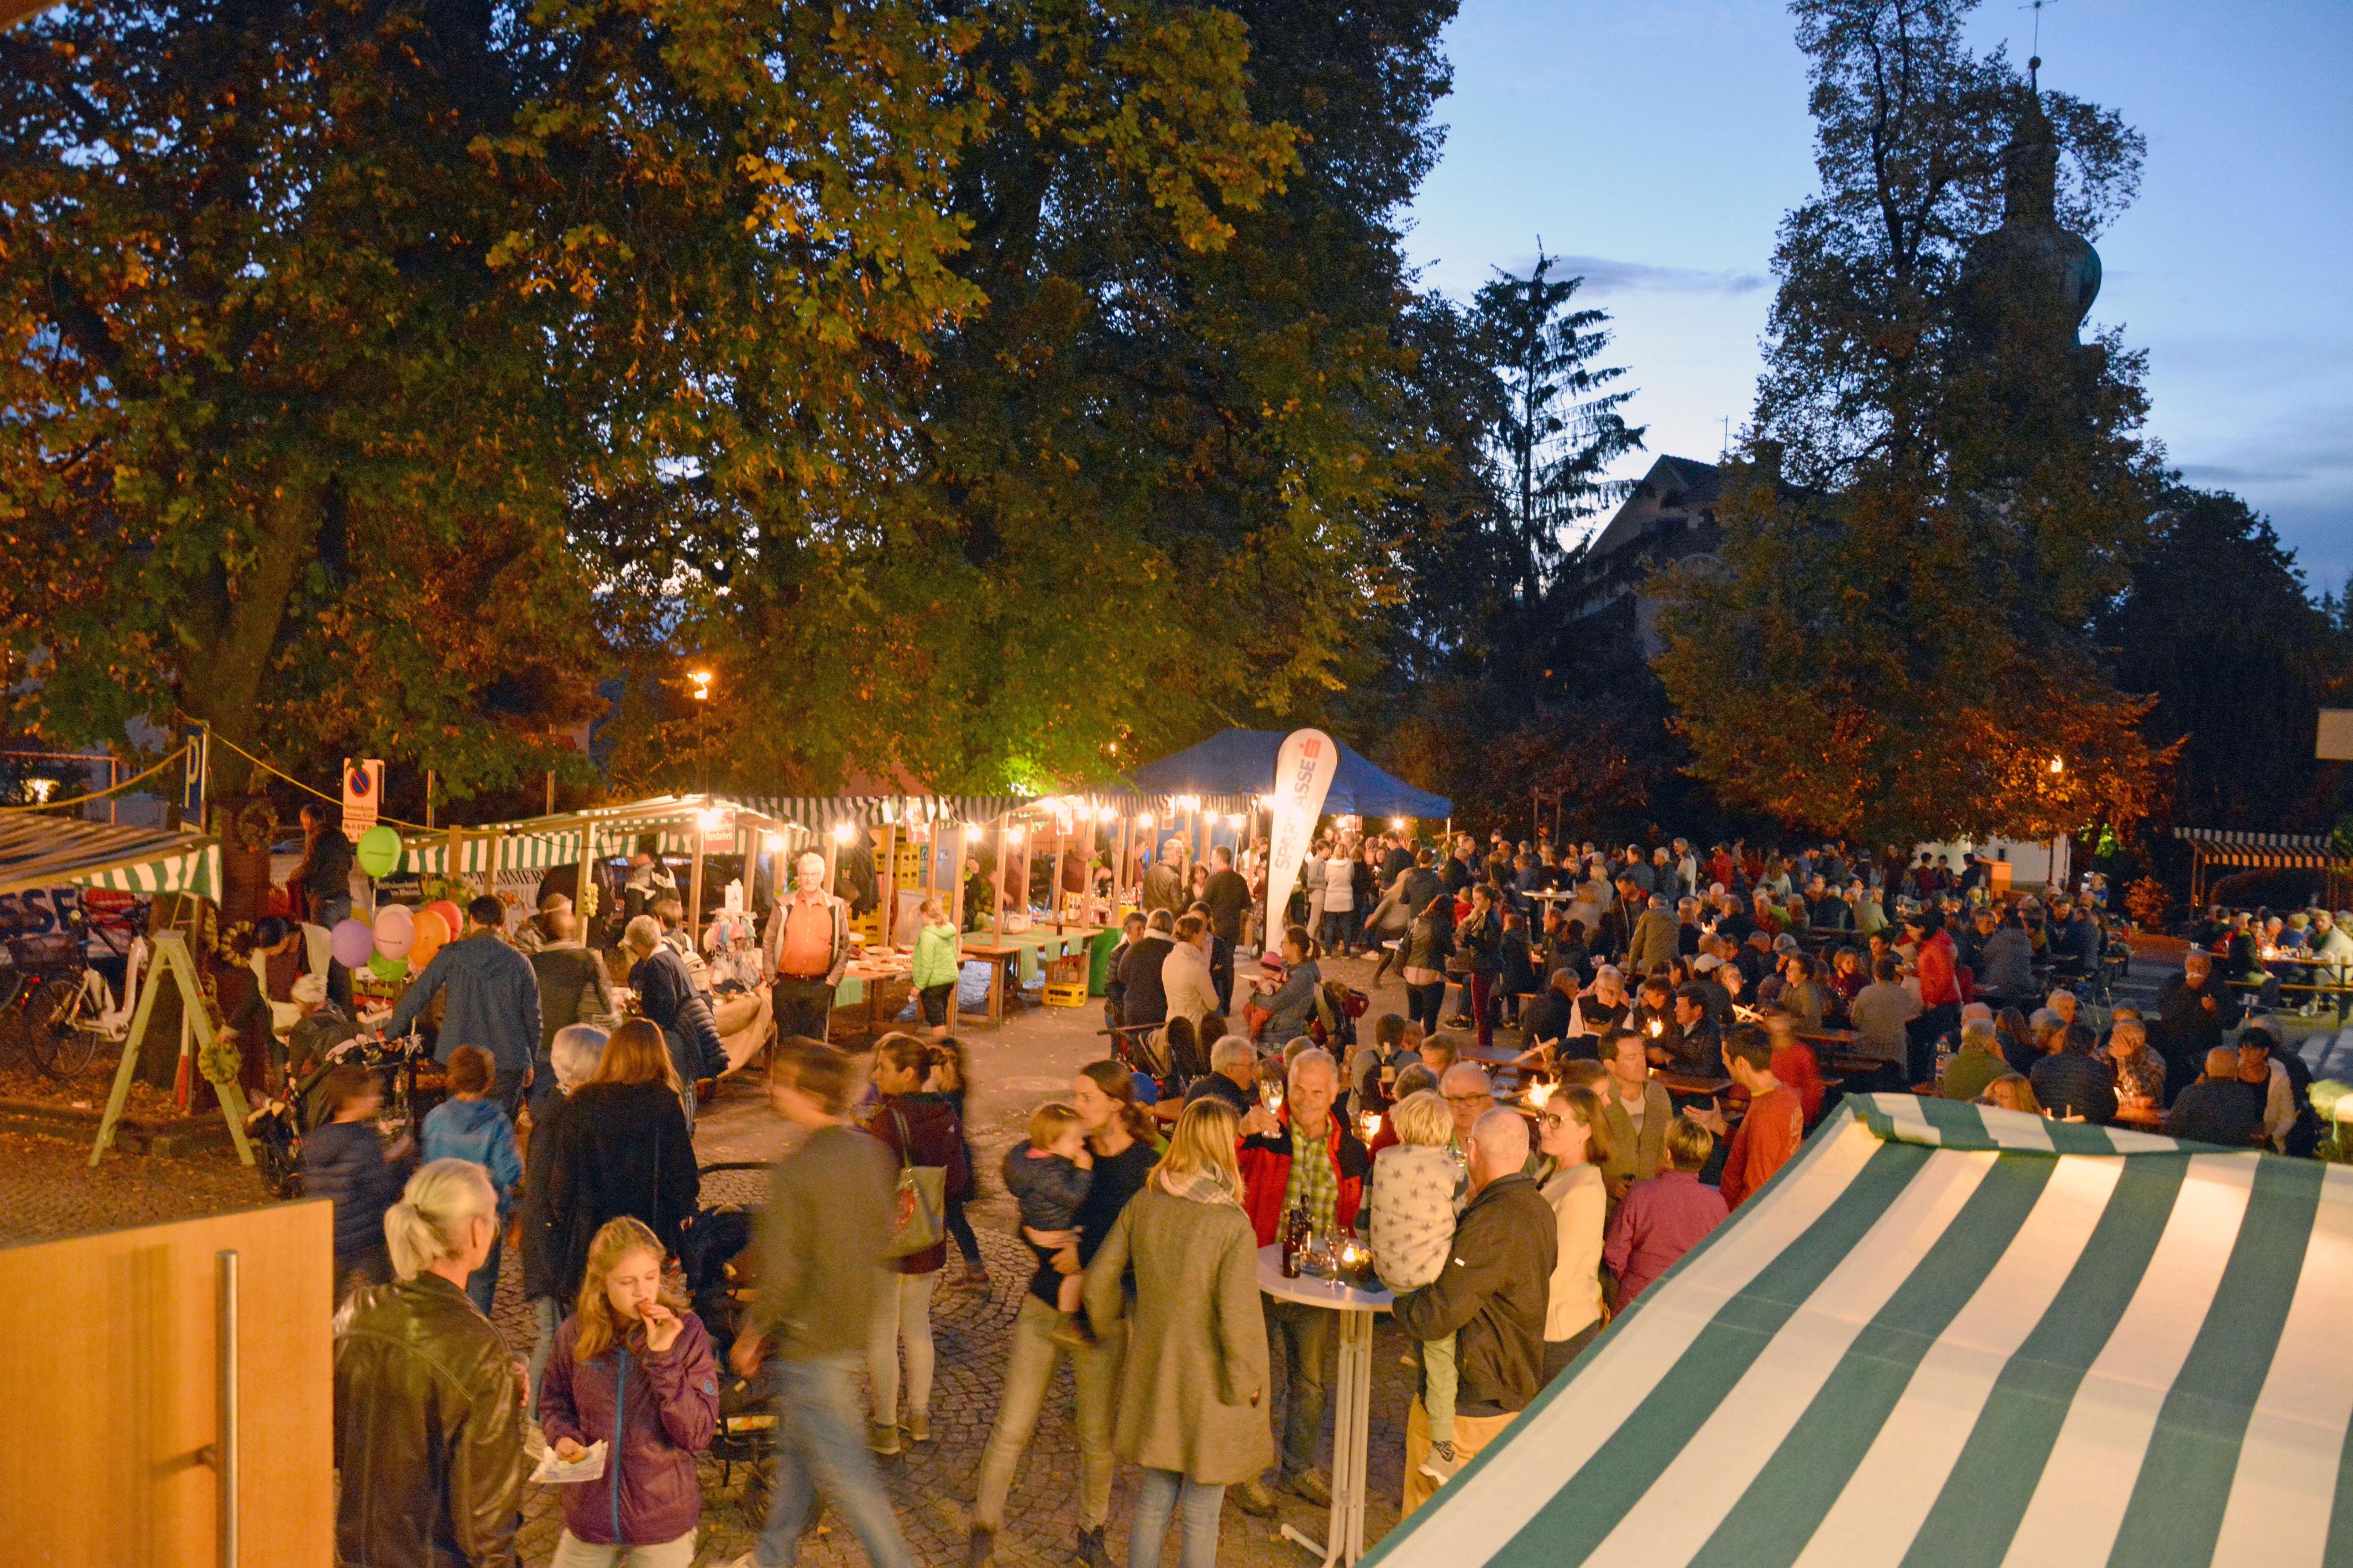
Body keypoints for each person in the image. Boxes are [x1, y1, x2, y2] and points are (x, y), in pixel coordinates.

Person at [724, 1038, 910, 1568]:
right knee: (800, 1454)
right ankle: (773, 1553)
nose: (773, 1088)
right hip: (849, 1329)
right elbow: (881, 1234)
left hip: (812, 1340)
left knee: (852, 1479)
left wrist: (752, 1334)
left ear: (808, 1093)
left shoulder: (801, 1170)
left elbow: (783, 1271)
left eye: (782, 1080)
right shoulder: (871, 1154)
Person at [970, 1061, 1161, 1568]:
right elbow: (1032, 1208)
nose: (1076, 1106)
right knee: (1013, 1424)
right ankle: (984, 1527)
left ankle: (1091, 1532)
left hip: (1102, 1316)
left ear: (1116, 1105)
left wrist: (1087, 1254)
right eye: (1075, 1096)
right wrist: (1036, 1238)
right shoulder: (1070, 1149)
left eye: (1087, 1098)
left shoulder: (1144, 1167)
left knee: (1096, 1435)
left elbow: (1145, 1248)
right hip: (1044, 1302)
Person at [1080, 1099, 1270, 1568]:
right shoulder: (1230, 1224)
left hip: (1157, 1375)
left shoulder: (1145, 1201)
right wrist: (1248, 1384)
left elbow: (1099, 1280)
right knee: (1202, 1514)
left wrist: (1112, 1328)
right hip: (1211, 1387)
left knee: (1154, 1501)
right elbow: (1239, 1319)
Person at [332, 1160, 524, 1566]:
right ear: (476, 1231)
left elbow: (341, 1437)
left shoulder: (356, 1313)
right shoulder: (480, 1350)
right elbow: (486, 1525)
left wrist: (497, 1387)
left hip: (356, 1554)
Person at [1393, 1108, 1556, 1516]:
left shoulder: (1494, 1219)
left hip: (1468, 1403)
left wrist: (1401, 1302)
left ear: (1473, 1149)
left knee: (1428, 1521)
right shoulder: (1538, 1209)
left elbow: (1440, 1312)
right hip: (1510, 1390)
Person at [538, 1215, 720, 1568]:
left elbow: (698, 1434)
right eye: (627, 1282)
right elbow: (555, 1398)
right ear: (602, 1282)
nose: (643, 1292)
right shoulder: (576, 1333)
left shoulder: (686, 1333)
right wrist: (562, 1436)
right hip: (590, 1516)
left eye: (650, 1277)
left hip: (661, 1521)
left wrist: (663, 1358)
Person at [1233, 1048, 1368, 1512]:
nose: (1307, 1100)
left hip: (1314, 1280)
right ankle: (1245, 1471)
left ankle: (1297, 1469)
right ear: (1286, 1088)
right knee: (1254, 1381)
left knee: (1310, 1383)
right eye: (1298, 1089)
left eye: (1316, 1092)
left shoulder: (1349, 1148)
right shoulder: (1265, 1131)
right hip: (1258, 1273)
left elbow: (1352, 1216)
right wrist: (1239, 1131)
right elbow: (1221, 1164)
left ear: (1334, 1094)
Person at [862, 1034, 973, 1455]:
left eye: (883, 1068)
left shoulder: (888, 1120)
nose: (876, 1075)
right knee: (918, 1327)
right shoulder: (946, 1114)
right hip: (927, 1237)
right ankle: (920, 1416)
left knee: (882, 1332)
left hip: (887, 1242)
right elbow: (959, 1182)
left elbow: (873, 1184)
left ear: (908, 1073)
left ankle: (886, 1427)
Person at [546, 1019, 701, 1304]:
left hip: (594, 1240)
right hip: (649, 1238)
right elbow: (684, 1182)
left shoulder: (582, 1104)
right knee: (645, 1316)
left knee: (597, 1319)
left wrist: (574, 1224)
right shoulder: (664, 1104)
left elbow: (562, 1186)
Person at [1366, 1090, 1468, 1481]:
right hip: (1429, 1278)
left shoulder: (1382, 1161)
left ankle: (1415, 1342)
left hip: (1389, 1271)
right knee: (1443, 1358)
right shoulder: (1451, 1169)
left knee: (1422, 1321)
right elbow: (1464, 1219)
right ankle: (1442, 1448)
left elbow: (1363, 1218)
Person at [383, 894, 545, 1117]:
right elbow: (534, 1019)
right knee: (499, 1129)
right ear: (503, 924)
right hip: (507, 1063)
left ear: (472, 921)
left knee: (460, 1124)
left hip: (461, 1063)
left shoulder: (451, 955)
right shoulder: (521, 963)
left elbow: (417, 996)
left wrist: (390, 1035)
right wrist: (530, 1061)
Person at [520, 1024, 606, 1415]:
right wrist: (558, 1266)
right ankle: (537, 1423)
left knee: (559, 1336)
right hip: (551, 1251)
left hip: (554, 1247)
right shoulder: (558, 1120)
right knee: (553, 1337)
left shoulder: (563, 1111)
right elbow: (545, 1196)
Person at [420, 1045, 523, 1316]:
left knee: (446, 1275)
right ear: (490, 1082)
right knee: (482, 1281)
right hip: (483, 1216)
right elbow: (509, 1173)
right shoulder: (497, 1122)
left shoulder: (434, 1119)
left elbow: (430, 1166)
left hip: (445, 1213)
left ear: (452, 1080)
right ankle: (476, 1327)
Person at [304, 1065, 411, 1303]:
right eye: (371, 1096)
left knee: (329, 1299)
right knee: (380, 1295)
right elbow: (383, 1189)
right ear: (353, 1101)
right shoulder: (364, 1141)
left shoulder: (318, 1138)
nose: (378, 1100)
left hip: (329, 1234)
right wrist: (401, 1163)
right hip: (365, 1238)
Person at [1603, 1118, 1726, 1311]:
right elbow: (1720, 1259)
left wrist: (1632, 1278)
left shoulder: (1639, 1194)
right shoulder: (1716, 1205)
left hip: (1638, 1298)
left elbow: (1615, 1252)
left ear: (1668, 1154)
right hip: (1689, 1303)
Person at [1532, 1084, 1610, 1382]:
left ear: (1586, 1130)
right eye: (1543, 1117)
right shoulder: (1551, 1169)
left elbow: (1558, 1273)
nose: (1544, 1127)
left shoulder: (1583, 1192)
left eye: (1556, 1121)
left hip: (1559, 1330)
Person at [622, 914, 727, 1133]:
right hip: (690, 1025)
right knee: (686, 1086)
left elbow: (666, 1003)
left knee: (678, 1085)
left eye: (635, 947)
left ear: (640, 945)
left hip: (678, 1031)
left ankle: (682, 1134)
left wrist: (650, 1017)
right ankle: (687, 1129)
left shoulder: (656, 963)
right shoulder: (670, 957)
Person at [1004, 1100, 1096, 1344]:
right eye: (1075, 1139)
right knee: (1078, 1270)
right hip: (1052, 1232)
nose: (1082, 1143)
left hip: (1035, 1226)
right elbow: (1074, 1198)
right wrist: (1084, 1170)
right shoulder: (1050, 1174)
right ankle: (1068, 1320)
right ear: (1051, 1144)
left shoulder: (1027, 1157)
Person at [1689, 1027, 1802, 1210]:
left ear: (1741, 1062)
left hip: (1744, 1214)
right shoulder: (1785, 1095)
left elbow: (1757, 1190)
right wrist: (1721, 1127)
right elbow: (1762, 1146)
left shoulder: (1767, 1113)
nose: (1724, 1063)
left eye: (1725, 1058)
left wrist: (1731, 1223)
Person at [529, 908, 619, 1120]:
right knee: (579, 1115)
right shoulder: (587, 960)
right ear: (571, 932)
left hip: (540, 1054)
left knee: (545, 1115)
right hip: (578, 1055)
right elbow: (606, 1007)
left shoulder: (532, 963)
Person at [762, 851, 850, 1044]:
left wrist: (832, 982)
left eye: (814, 874)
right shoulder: (783, 905)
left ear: (822, 876)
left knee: (816, 1046)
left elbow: (845, 947)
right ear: (799, 877)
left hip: (820, 986)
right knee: (787, 1044)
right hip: (786, 986)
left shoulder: (835, 907)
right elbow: (768, 941)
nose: (810, 879)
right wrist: (772, 979)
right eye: (805, 874)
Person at [1595, 1029, 1673, 1200]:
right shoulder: (1597, 1099)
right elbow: (1577, 1154)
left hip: (1651, 1201)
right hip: (1608, 1205)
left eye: (1642, 1054)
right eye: (1632, 1058)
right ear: (1610, 1065)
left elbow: (1666, 1144)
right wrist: (1605, 1182)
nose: (1642, 1063)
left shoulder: (1657, 1094)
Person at [2154, 953, 2239, 1107]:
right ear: (2186, 966)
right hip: (2174, 1049)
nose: (2197, 970)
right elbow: (2166, 1011)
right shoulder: (2175, 983)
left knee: (2201, 1098)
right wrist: (2188, 989)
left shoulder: (2219, 987)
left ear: (2210, 968)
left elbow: (2232, 1021)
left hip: (2204, 1051)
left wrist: (2214, 1010)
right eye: (2192, 965)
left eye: (2202, 966)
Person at [2031, 1021, 2117, 1123]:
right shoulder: (2101, 1070)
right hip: (2088, 1127)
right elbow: (2111, 1108)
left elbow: (2034, 1097)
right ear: (2092, 1045)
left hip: (2047, 1124)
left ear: (2066, 1041)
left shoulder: (2041, 1065)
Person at [1251, 925, 1322, 1046]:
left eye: (1283, 943)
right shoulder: (1289, 968)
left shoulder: (1302, 976)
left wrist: (1255, 997)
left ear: (1295, 946)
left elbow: (1274, 1003)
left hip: (1281, 1038)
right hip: (1274, 1032)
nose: (1280, 946)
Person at [1848, 955, 1920, 1067]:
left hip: (1869, 1048)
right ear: (1894, 975)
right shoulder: (1903, 994)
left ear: (1875, 975)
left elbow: (1855, 1021)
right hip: (1896, 1050)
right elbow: (1906, 1017)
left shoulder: (1865, 992)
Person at [1160, 912, 1221, 1044]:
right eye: (1203, 933)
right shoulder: (1197, 967)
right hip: (1193, 1026)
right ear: (1194, 936)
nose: (1205, 937)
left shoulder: (1168, 960)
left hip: (1171, 1023)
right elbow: (1213, 1004)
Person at [1400, 890, 1455, 1034]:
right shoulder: (1442, 924)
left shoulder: (1418, 920)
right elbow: (1452, 951)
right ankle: (1428, 1046)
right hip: (1432, 975)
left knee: (1413, 1017)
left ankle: (1411, 1045)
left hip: (1412, 973)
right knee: (1430, 1021)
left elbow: (1406, 944)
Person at [911, 896, 962, 1041]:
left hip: (933, 983)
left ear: (925, 915)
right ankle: (944, 1045)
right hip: (948, 980)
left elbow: (927, 965)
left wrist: (919, 986)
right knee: (941, 1015)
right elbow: (954, 954)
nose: (921, 919)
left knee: (936, 1020)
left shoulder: (928, 934)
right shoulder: (948, 929)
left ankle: (940, 1049)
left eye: (921, 915)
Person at [1121, 911, 1178, 1034]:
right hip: (1160, 1013)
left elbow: (1122, 974)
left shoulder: (1134, 948)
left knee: (1136, 1045)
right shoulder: (1174, 950)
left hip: (1133, 1012)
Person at [1939, 1017, 2012, 1104]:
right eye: (1995, 1038)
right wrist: (2002, 1060)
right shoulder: (1998, 1069)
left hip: (1953, 1110)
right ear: (1990, 1041)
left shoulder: (1950, 1062)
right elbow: (2018, 1087)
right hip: (1982, 1111)